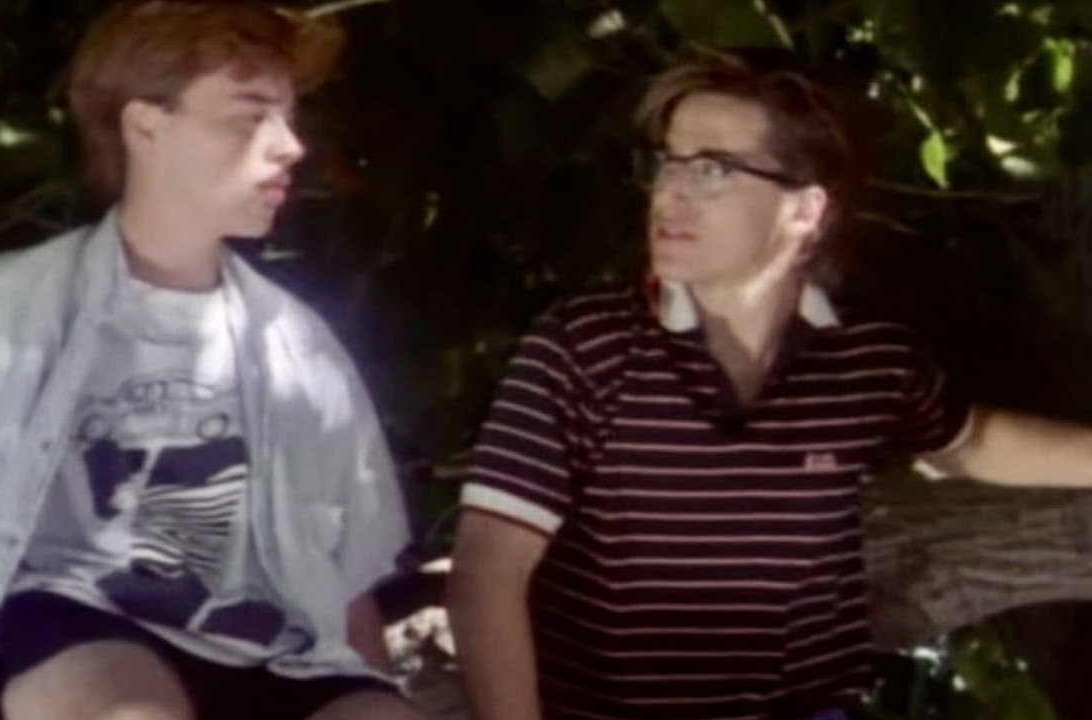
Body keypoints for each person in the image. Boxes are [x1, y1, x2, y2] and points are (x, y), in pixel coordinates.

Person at [446, 50, 1092, 720]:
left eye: (713, 170)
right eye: (668, 163)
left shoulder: (865, 358)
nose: (671, 193)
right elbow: (487, 571)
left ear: (806, 210)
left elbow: (966, 440)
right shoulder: (586, 348)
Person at [0, 3, 425, 720]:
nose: (290, 146)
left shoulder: (303, 348)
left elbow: (348, 592)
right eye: (250, 116)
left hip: (270, 652)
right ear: (146, 126)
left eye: (289, 117)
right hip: (74, 626)